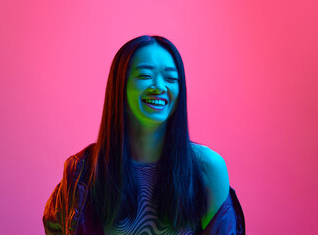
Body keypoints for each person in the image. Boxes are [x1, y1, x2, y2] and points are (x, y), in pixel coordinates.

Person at [43, 35, 245, 235]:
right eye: (145, 76)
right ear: (120, 84)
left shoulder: (207, 168)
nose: (159, 86)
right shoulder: (83, 171)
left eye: (171, 78)